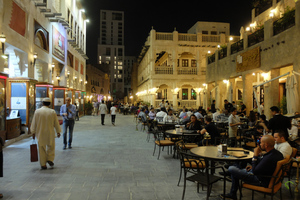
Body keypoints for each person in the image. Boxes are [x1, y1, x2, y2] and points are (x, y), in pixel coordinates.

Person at [221, 135, 284, 200]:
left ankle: (233, 193)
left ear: (266, 145)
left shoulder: (268, 158)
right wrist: (253, 166)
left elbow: (255, 171)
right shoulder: (278, 154)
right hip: (265, 175)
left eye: (261, 142)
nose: (260, 144)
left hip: (260, 180)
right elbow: (265, 166)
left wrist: (255, 155)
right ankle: (232, 193)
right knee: (235, 171)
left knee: (231, 169)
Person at [31, 98, 61, 169]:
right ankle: (50, 159)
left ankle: (43, 164)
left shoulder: (37, 112)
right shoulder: (52, 112)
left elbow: (34, 122)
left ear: (42, 103)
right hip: (50, 132)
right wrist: (58, 131)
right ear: (50, 104)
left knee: (42, 148)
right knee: (51, 146)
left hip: (40, 133)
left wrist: (33, 132)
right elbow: (56, 123)